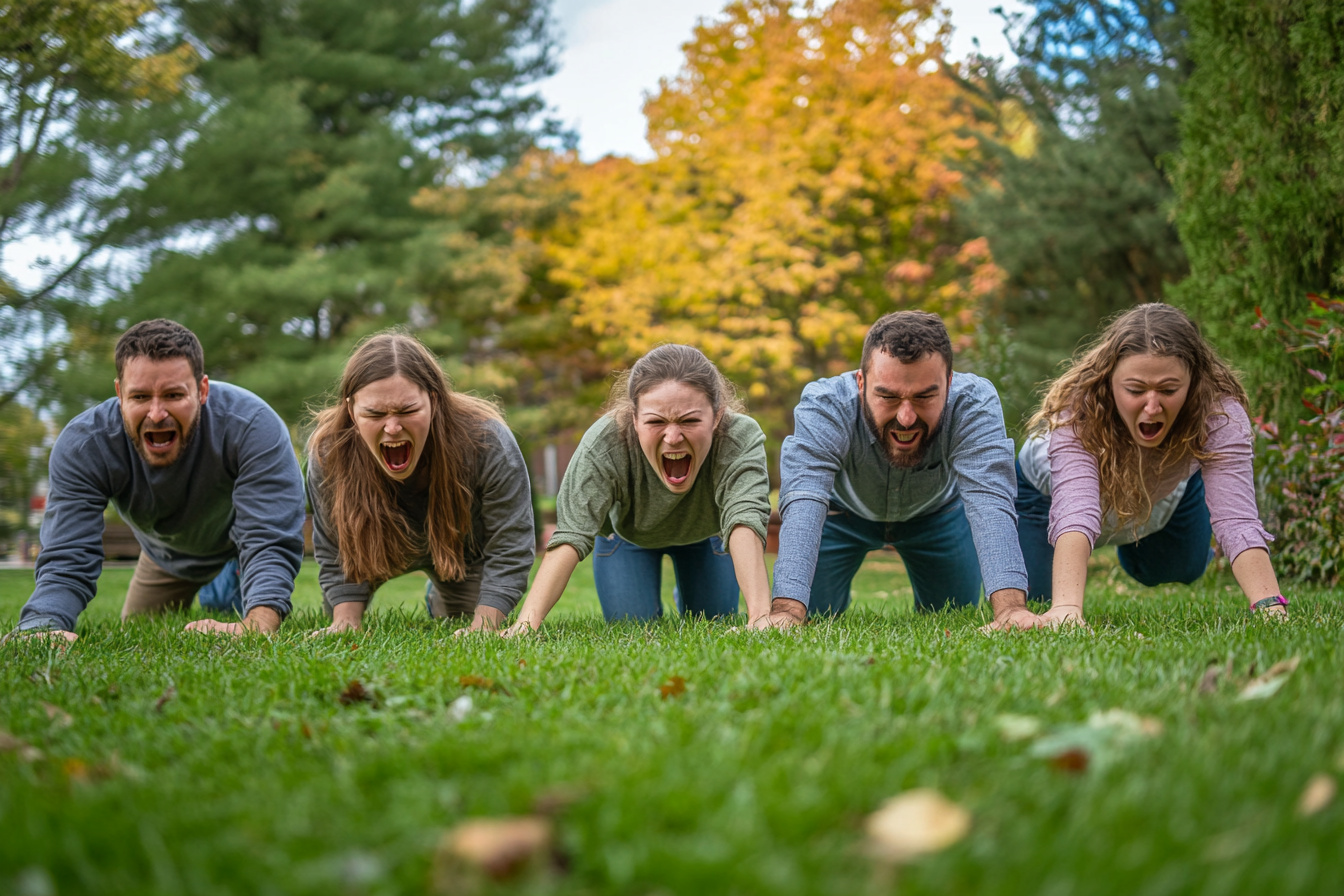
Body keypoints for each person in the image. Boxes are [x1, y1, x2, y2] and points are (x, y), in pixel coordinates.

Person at [9, 319, 306, 642]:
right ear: (119, 393)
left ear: (202, 390)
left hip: (242, 543)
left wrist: (259, 622)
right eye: (139, 397)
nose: (156, 413)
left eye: (173, 394)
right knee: (136, 631)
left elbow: (270, 538)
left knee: (235, 605)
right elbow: (68, 552)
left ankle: (228, 586)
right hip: (165, 553)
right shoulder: (86, 445)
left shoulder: (251, 425)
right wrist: (42, 625)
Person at [764, 311, 1043, 630]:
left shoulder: (973, 404)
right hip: (840, 516)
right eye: (887, 397)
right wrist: (786, 610)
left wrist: (1011, 610)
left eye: (925, 397)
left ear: (949, 383)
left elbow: (990, 499)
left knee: (952, 614)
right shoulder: (825, 404)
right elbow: (803, 498)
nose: (907, 417)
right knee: (814, 612)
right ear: (861, 382)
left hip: (938, 515)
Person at [1015, 303, 1287, 622]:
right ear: (1108, 380)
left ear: (1193, 382)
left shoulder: (1217, 415)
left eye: (1169, 389)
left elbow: (1237, 518)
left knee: (1179, 568)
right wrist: (1066, 610)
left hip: (1159, 487)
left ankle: (1139, 537)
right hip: (1044, 497)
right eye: (1135, 390)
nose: (1153, 406)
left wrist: (1270, 605)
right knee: (1037, 600)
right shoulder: (1080, 411)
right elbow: (1075, 510)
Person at [500, 344, 780, 634]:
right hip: (629, 538)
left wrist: (760, 617)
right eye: (656, 422)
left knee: (712, 622)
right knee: (633, 628)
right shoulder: (605, 442)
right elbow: (571, 534)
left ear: (717, 416)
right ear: (634, 419)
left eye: (690, 420)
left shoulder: (739, 436)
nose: (673, 437)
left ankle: (687, 590)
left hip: (708, 537)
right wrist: (525, 625)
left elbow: (745, 519)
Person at [305, 333, 534, 635]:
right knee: (342, 619)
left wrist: (483, 626)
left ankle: (438, 590)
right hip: (373, 545)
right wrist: (345, 621)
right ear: (351, 410)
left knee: (462, 616)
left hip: (460, 552)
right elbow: (336, 549)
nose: (392, 427)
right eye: (374, 413)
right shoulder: (328, 452)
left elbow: (510, 548)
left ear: (434, 401)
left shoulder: (487, 441)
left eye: (407, 410)